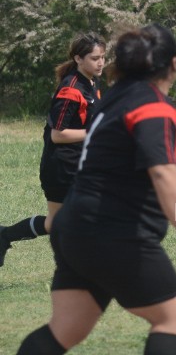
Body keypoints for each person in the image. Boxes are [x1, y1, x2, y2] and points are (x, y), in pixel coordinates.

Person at [15, 23, 176, 355]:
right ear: (174, 63)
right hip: (114, 231)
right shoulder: (153, 106)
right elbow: (162, 172)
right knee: (172, 318)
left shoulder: (112, 99)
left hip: (74, 226)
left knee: (64, 330)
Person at [0, 32, 106, 267]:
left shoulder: (92, 82)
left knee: (58, 222)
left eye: (103, 58)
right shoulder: (70, 89)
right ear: (78, 59)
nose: (100, 63)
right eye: (94, 58)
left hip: (80, 163)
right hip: (62, 167)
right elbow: (59, 135)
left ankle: (4, 235)